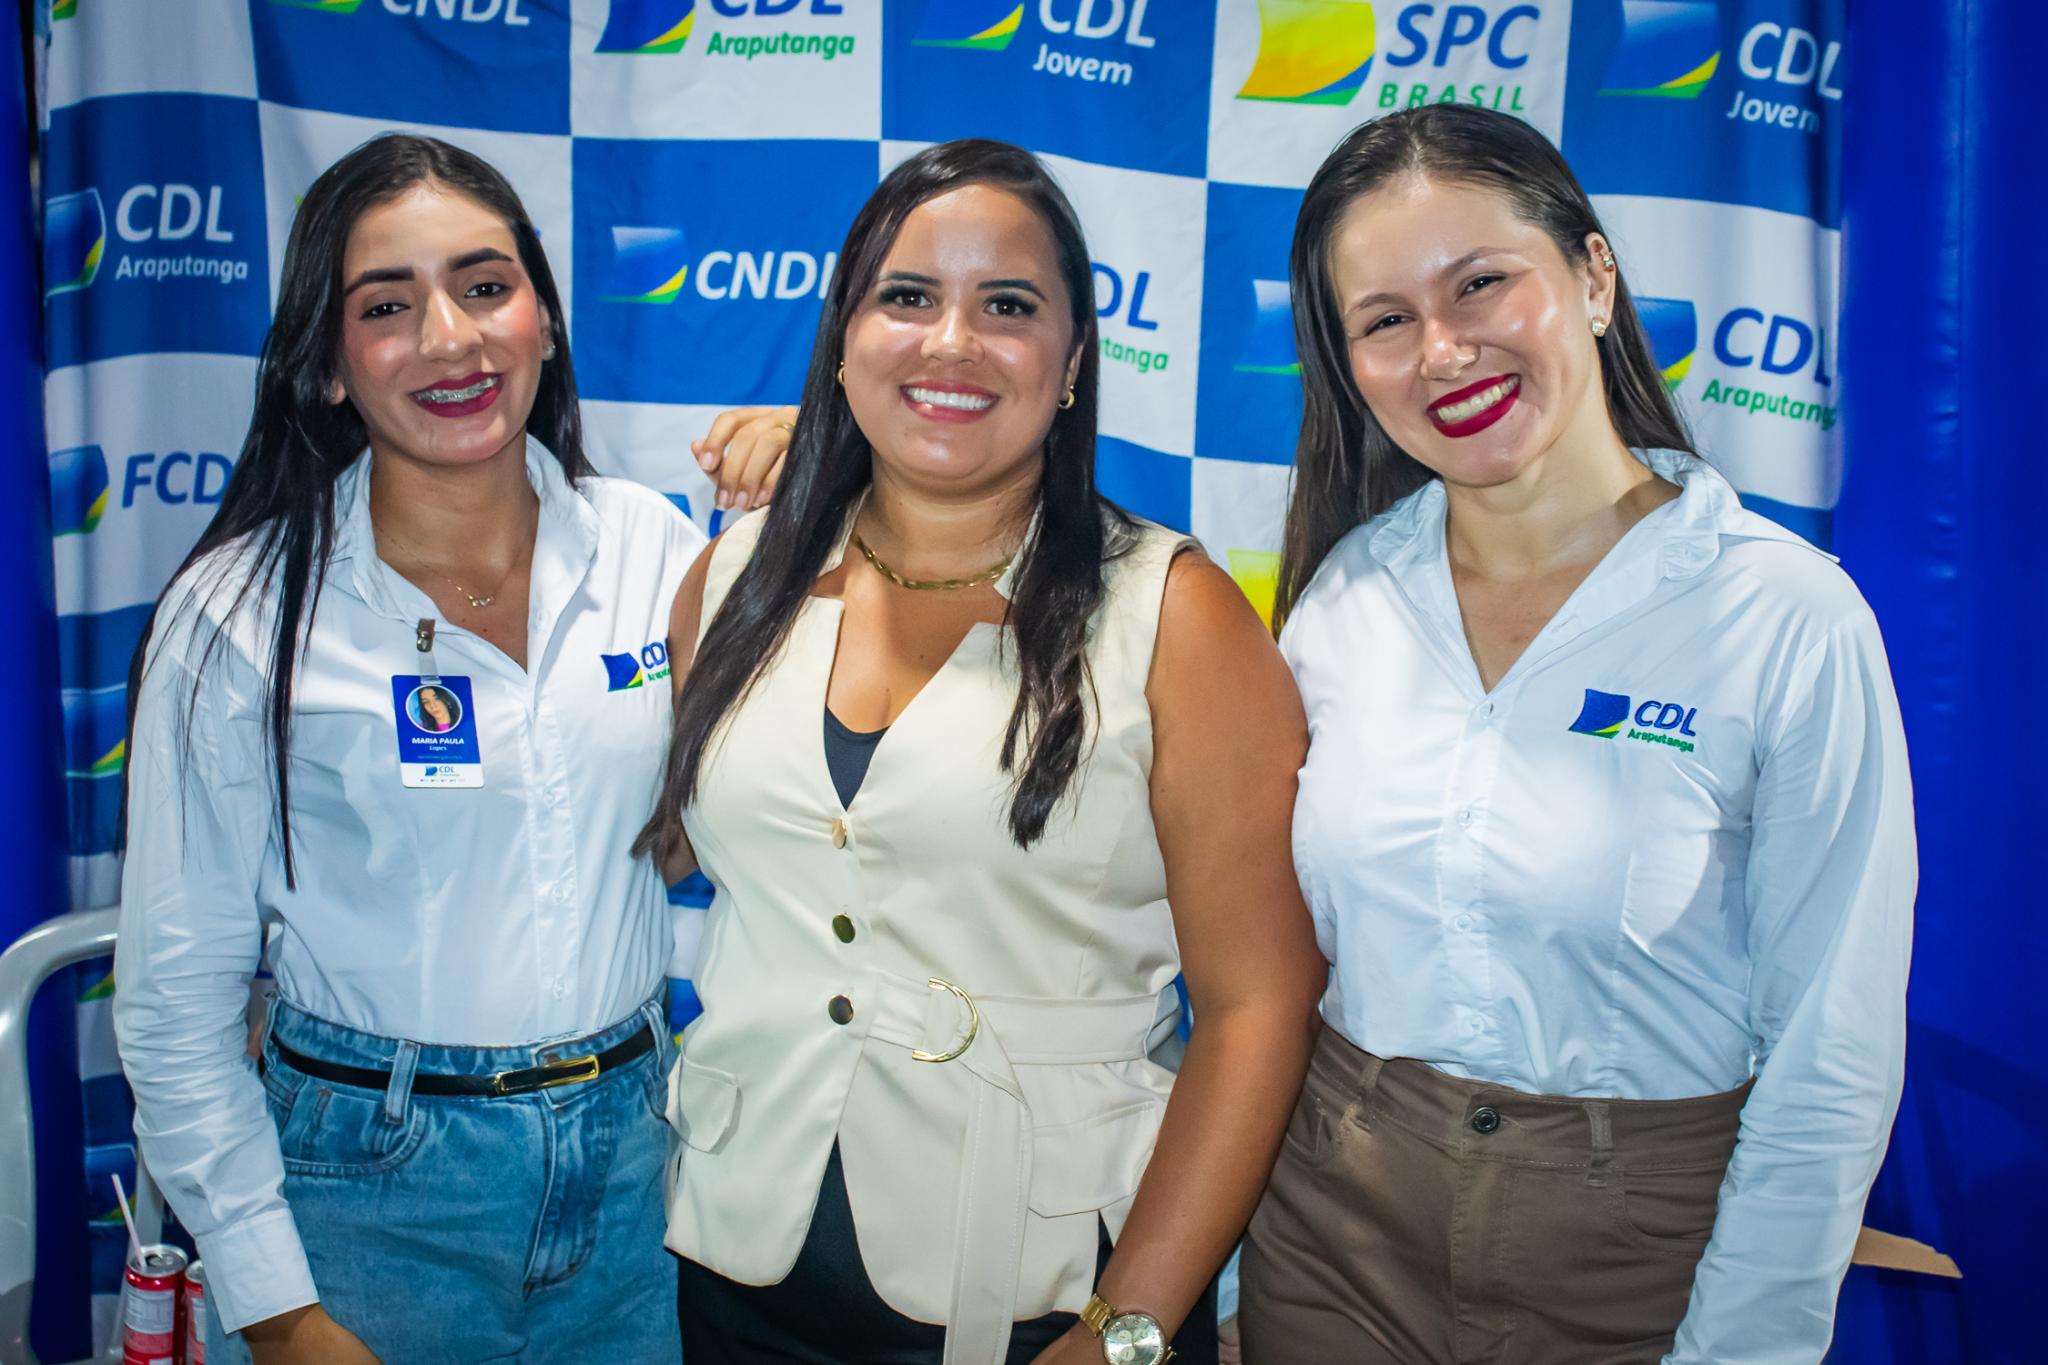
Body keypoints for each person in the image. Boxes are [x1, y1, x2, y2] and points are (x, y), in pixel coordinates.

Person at [1235, 106, 1915, 1365]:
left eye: (1479, 283)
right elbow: (1273, 970)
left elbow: (1832, 1048)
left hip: (1638, 1259)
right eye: (1384, 321)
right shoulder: (1340, 602)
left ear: (1592, 278)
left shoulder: (1782, 617)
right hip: (1332, 1239)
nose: (1442, 351)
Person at [639, 138, 1327, 1365]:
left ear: (1072, 364)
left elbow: (1257, 1007)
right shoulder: (733, 579)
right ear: (841, 337)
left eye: (1006, 307)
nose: (951, 341)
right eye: (905, 298)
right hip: (733, 1272)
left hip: (1044, 1298)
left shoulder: (1172, 616)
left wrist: (1128, 1327)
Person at [113, 134, 706, 1365]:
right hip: (365, 1193)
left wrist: (818, 466)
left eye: (485, 286)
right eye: (386, 306)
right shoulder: (239, 613)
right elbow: (176, 1002)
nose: (450, 338)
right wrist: (278, 1311)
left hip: (635, 1177)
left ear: (545, 319)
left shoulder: (653, 548)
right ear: (328, 366)